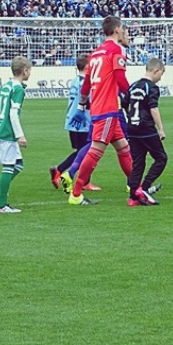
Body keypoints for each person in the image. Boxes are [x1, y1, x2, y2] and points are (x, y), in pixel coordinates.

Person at [69, 16, 133, 206]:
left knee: (123, 147)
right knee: (96, 150)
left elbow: (87, 83)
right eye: (122, 28)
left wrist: (82, 105)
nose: (123, 31)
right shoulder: (116, 50)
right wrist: (133, 96)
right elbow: (120, 79)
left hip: (99, 105)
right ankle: (76, 193)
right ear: (115, 30)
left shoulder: (95, 53)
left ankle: (137, 186)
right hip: (108, 108)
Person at [49, 54, 100, 192]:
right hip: (83, 121)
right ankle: (64, 172)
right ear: (87, 67)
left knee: (82, 152)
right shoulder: (86, 83)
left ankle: (69, 174)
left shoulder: (75, 81)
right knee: (88, 152)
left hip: (72, 121)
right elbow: (84, 102)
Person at [0, 56, 32, 214]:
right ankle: (2, 205)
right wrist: (20, 135)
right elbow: (13, 114)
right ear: (25, 71)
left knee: (18, 165)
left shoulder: (6, 85)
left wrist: (0, 117)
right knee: (8, 166)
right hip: (7, 132)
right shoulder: (18, 88)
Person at [125, 58, 167, 206]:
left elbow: (125, 104)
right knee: (161, 158)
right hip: (146, 128)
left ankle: (133, 197)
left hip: (132, 129)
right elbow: (153, 108)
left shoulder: (133, 86)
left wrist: (131, 120)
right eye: (160, 74)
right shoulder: (152, 88)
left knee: (138, 163)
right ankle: (145, 187)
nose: (160, 78)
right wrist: (160, 129)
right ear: (156, 70)